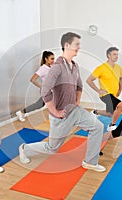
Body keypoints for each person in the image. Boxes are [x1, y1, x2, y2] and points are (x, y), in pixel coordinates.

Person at [18, 32, 106, 172]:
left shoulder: (74, 66)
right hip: (61, 115)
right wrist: (54, 111)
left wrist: (77, 100)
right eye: (76, 44)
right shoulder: (57, 67)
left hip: (75, 110)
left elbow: (79, 85)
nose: (79, 47)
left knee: (98, 127)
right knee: (52, 148)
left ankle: (90, 161)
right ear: (67, 45)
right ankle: (24, 148)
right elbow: (45, 91)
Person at [86, 47, 122, 131]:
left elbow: (121, 78)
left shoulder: (118, 68)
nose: (116, 56)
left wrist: (119, 89)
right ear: (108, 55)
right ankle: (112, 125)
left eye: (117, 54)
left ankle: (95, 112)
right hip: (105, 94)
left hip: (113, 94)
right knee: (120, 105)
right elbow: (89, 80)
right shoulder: (101, 68)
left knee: (110, 113)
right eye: (114, 54)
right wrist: (98, 90)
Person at [15, 51, 55, 121]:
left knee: (42, 104)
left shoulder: (51, 66)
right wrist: (41, 87)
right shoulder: (43, 68)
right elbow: (32, 79)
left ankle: (21, 112)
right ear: (46, 59)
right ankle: (21, 112)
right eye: (51, 59)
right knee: (39, 105)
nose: (53, 60)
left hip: (52, 90)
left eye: (53, 59)